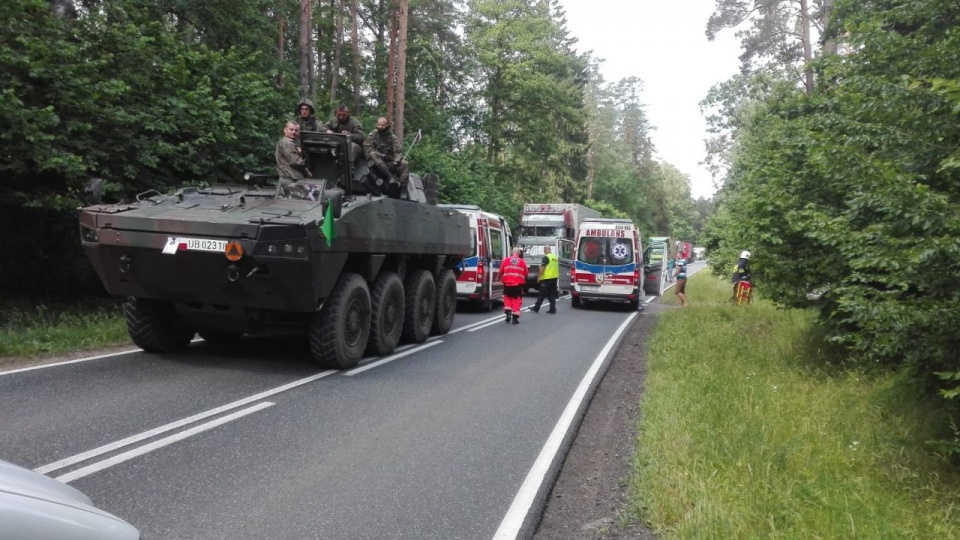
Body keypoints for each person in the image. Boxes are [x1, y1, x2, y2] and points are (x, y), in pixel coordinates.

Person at [364, 117, 409, 198]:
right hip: (376, 162)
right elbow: (368, 149)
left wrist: (395, 162)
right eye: (379, 124)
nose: (380, 127)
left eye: (382, 125)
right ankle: (390, 177)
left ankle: (403, 191)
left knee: (405, 163)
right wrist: (382, 156)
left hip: (390, 162)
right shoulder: (373, 135)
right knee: (373, 154)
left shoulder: (392, 138)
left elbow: (398, 152)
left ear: (387, 125)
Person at [499, 247, 529, 324]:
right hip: (517, 284)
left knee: (507, 298)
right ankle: (515, 318)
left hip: (507, 284)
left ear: (512, 252)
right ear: (519, 254)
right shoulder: (522, 262)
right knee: (516, 300)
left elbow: (501, 271)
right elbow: (526, 273)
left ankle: (508, 313)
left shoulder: (506, 260)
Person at [530, 245, 559, 314]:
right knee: (552, 294)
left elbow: (543, 268)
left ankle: (536, 308)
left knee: (542, 294)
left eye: (544, 250)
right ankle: (552, 309)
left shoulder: (546, 257)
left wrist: (539, 277)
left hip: (547, 278)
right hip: (554, 278)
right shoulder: (555, 257)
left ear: (547, 250)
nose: (544, 251)